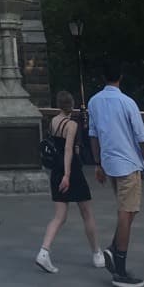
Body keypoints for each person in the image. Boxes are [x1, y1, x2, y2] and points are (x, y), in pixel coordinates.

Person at [88, 61, 144, 287]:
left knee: (129, 210)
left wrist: (98, 163)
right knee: (127, 213)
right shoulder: (127, 102)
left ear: (104, 77)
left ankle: (113, 250)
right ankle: (120, 270)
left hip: (110, 164)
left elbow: (93, 134)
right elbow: (141, 136)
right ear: (120, 77)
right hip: (129, 163)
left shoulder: (94, 101)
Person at [35, 90, 105, 274]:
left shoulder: (53, 122)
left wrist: (61, 173)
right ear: (71, 105)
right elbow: (68, 150)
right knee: (87, 212)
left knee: (59, 216)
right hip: (71, 171)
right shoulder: (71, 125)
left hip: (56, 170)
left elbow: (57, 144)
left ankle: (44, 251)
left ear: (59, 104)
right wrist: (68, 174)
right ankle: (97, 253)